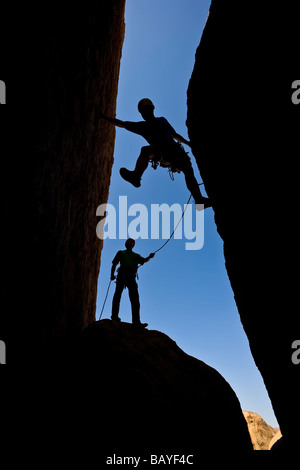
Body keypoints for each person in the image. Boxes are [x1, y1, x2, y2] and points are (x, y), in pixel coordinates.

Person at [100, 98, 211, 209]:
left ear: (147, 112)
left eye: (145, 111)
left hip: (172, 153)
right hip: (167, 153)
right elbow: (122, 124)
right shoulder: (155, 123)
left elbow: (123, 124)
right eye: (145, 111)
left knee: (187, 171)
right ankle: (136, 176)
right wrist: (189, 144)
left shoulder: (150, 124)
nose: (145, 114)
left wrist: (189, 144)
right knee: (186, 171)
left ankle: (199, 201)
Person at [111, 238, 155, 327]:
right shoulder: (121, 252)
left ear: (133, 245)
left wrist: (149, 257)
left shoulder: (136, 255)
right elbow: (114, 264)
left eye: (131, 242)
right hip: (123, 275)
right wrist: (112, 274)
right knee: (118, 296)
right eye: (128, 241)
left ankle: (136, 321)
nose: (130, 242)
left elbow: (144, 260)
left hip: (130, 276)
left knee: (134, 299)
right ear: (126, 244)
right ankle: (115, 316)